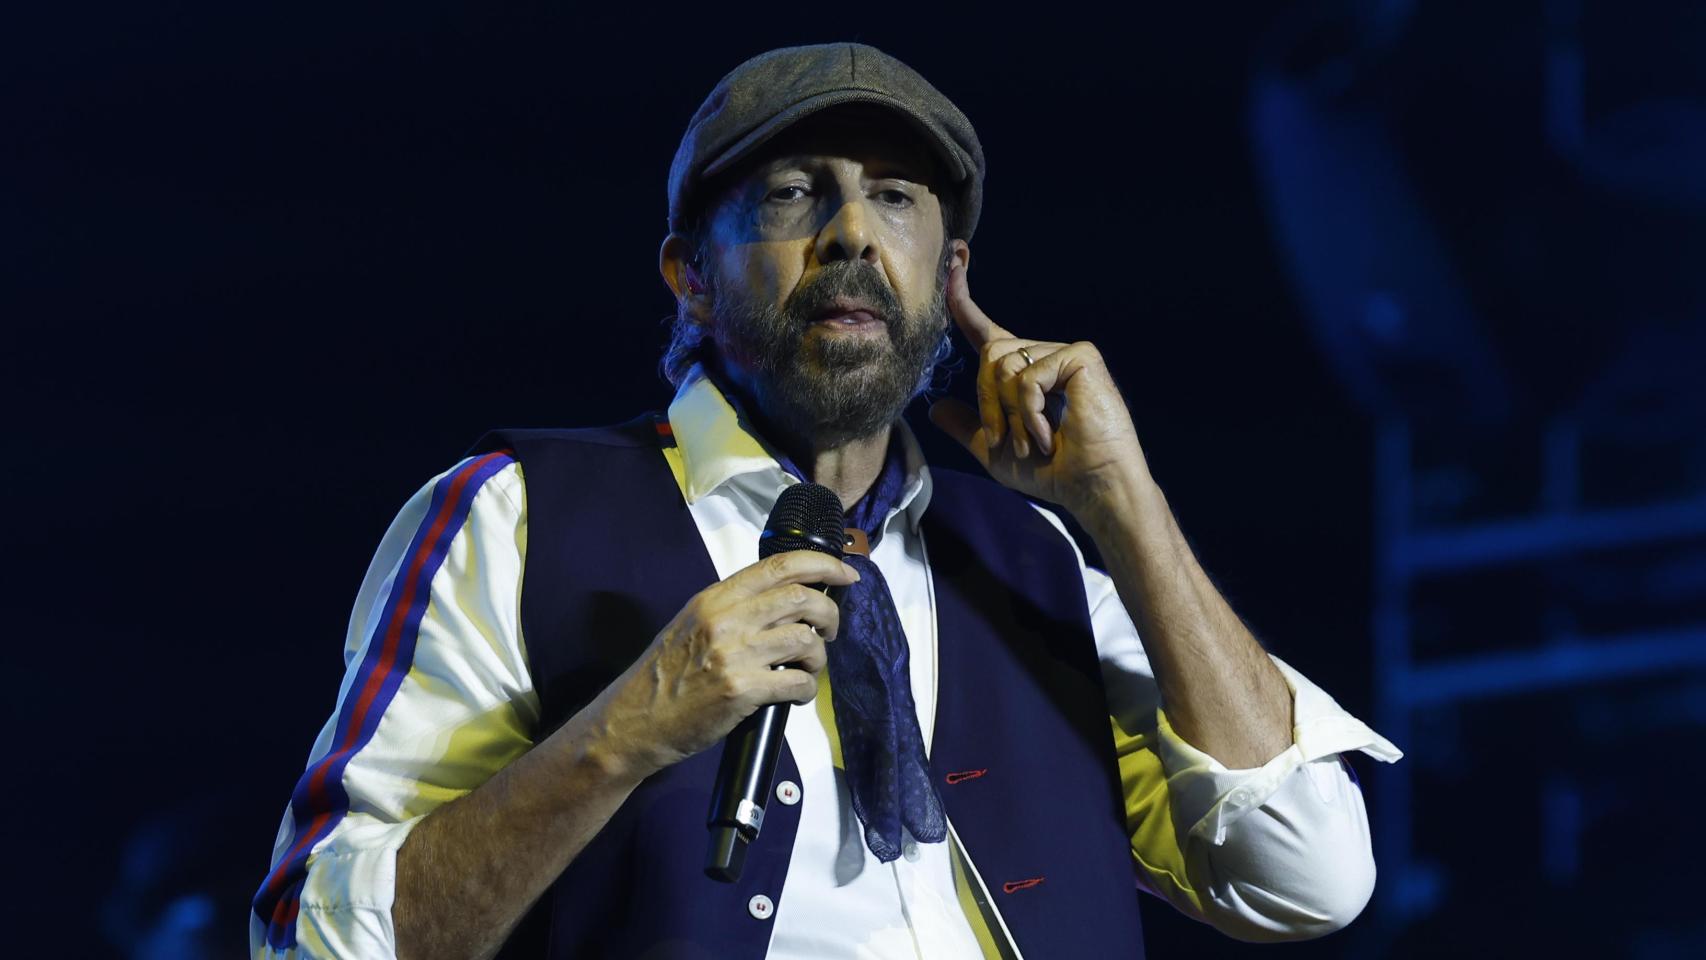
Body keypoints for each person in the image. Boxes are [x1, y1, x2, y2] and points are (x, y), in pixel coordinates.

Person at [252, 42, 1400, 960]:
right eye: (794, 193)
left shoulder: (1037, 562)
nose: (851, 231)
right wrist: (623, 732)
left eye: (894, 198)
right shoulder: (517, 517)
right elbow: (315, 943)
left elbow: (1308, 879)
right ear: (690, 277)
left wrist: (1127, 508)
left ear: (949, 275)